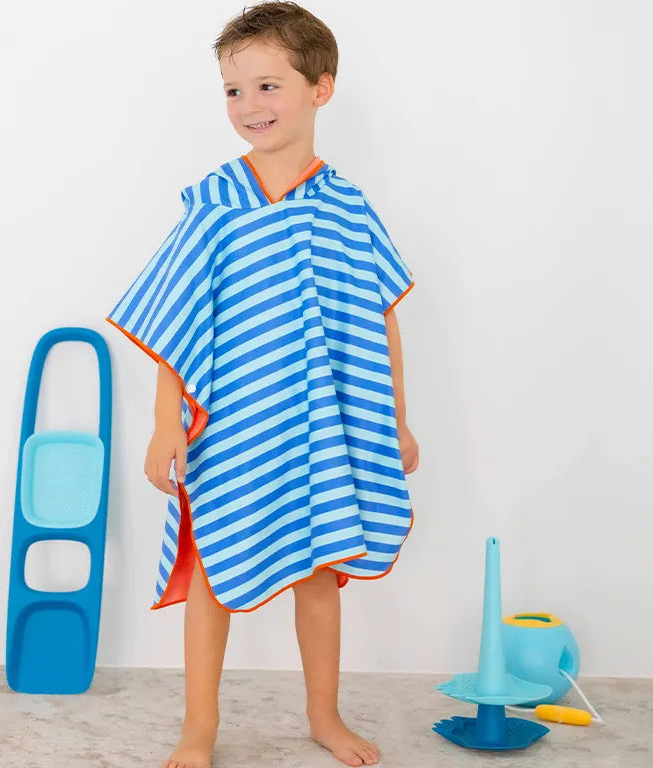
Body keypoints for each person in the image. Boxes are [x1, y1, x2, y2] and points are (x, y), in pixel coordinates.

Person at [105, 3, 420, 766]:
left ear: (321, 88)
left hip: (322, 424)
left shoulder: (347, 207)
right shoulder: (217, 205)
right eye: (233, 90)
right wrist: (165, 423)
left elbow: (378, 316)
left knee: (320, 568)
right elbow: (176, 317)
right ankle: (199, 729)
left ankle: (324, 716)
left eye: (268, 86)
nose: (249, 106)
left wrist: (397, 420)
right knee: (214, 572)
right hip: (233, 425)